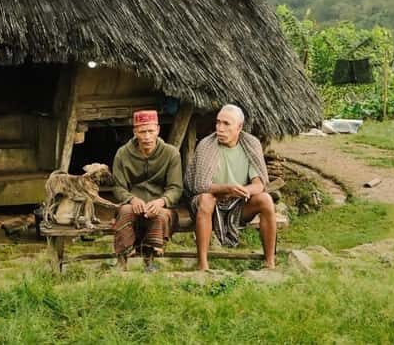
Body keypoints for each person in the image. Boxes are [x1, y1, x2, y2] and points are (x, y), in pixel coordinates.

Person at [185, 104, 276, 270]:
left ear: (239, 127)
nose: (220, 128)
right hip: (210, 206)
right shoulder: (206, 145)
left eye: (226, 124)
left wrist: (244, 190)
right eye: (218, 123)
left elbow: (259, 183)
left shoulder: (251, 144)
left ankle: (270, 262)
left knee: (266, 199)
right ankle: (203, 265)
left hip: (238, 204)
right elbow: (200, 185)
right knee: (206, 199)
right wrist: (227, 188)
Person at [112, 109, 183, 270]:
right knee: (125, 212)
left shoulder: (171, 154)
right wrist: (132, 199)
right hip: (133, 204)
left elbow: (176, 188)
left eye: (151, 131)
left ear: (158, 130)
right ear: (135, 132)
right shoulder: (122, 154)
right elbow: (117, 186)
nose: (147, 136)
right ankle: (122, 260)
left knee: (160, 216)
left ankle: (150, 261)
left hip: (160, 205)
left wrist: (161, 201)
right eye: (142, 131)